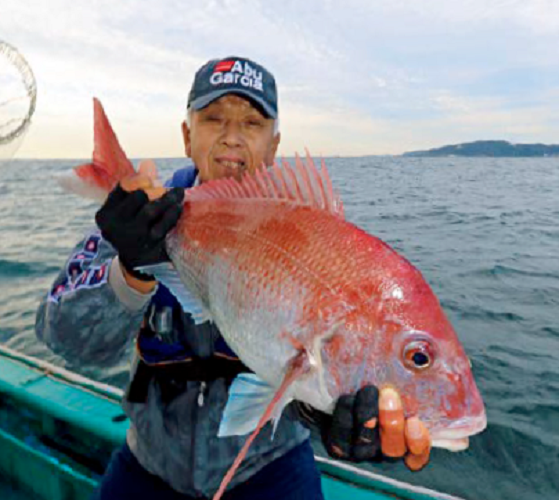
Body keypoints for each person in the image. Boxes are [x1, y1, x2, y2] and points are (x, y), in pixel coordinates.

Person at [36, 56, 431, 500]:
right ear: (187, 136)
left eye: (252, 122)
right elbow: (62, 339)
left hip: (269, 467)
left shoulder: (317, 242)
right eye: (213, 118)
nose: (231, 136)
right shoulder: (139, 219)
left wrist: (328, 414)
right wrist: (129, 269)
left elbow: (317, 361)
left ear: (275, 144)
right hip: (149, 462)